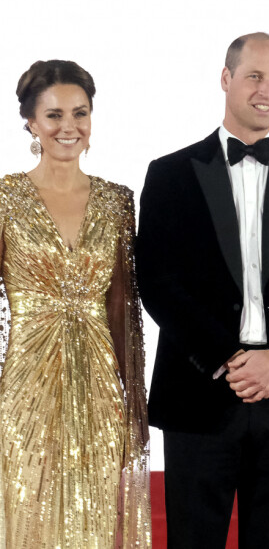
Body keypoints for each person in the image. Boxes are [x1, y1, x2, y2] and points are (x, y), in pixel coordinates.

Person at [136, 32, 269, 548]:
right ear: (226, 78)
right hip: (200, 392)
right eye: (255, 75)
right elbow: (158, 281)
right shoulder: (169, 174)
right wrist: (228, 358)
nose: (267, 90)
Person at [0, 60, 151, 548]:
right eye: (55, 115)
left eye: (80, 113)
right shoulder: (3, 199)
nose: (70, 127)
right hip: (23, 386)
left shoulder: (117, 202)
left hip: (99, 387)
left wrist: (133, 406)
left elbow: (123, 309)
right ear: (30, 122)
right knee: (24, 510)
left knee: (93, 518)